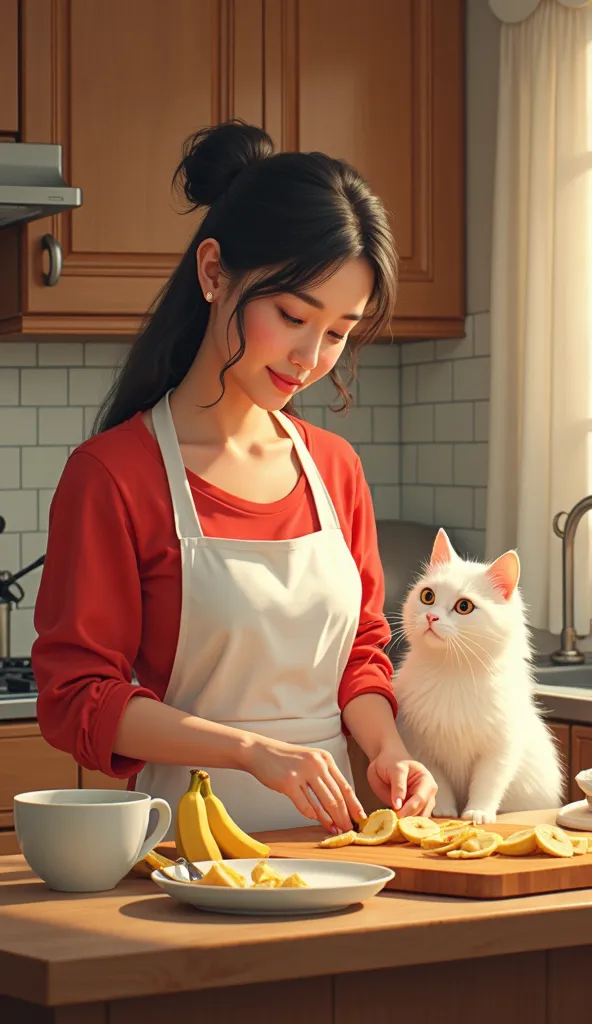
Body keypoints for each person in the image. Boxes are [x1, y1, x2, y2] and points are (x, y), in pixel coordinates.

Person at [32, 120, 437, 838]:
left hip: (335, 852)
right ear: (215, 273)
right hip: (178, 860)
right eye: (291, 315)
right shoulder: (113, 477)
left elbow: (360, 657)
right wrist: (251, 752)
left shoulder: (335, 470)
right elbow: (78, 697)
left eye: (340, 331)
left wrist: (388, 749)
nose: (312, 357)